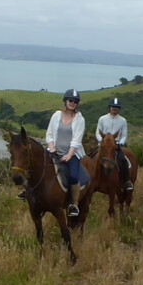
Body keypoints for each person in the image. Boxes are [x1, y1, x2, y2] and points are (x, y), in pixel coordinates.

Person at [45, 88, 86, 217]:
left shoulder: (80, 119)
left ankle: (73, 204)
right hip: (54, 151)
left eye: (75, 101)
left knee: (73, 176)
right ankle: (28, 192)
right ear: (65, 101)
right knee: (35, 165)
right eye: (70, 100)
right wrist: (52, 148)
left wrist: (69, 155)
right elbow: (49, 134)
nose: (72, 103)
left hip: (72, 154)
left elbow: (76, 140)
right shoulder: (56, 115)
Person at [96, 97, 134, 191]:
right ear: (109, 107)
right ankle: (90, 180)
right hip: (103, 145)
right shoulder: (102, 119)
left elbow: (124, 135)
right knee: (89, 158)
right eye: (113, 107)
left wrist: (120, 143)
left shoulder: (123, 120)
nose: (114, 109)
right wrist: (101, 140)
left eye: (117, 107)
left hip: (115, 146)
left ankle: (126, 181)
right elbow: (97, 132)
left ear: (119, 109)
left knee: (124, 162)